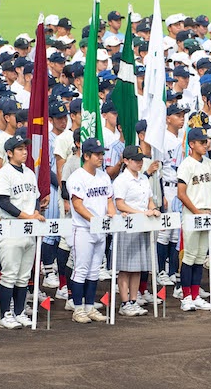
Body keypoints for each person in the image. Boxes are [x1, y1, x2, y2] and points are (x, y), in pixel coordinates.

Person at [0, 134, 45, 329]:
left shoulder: (30, 173)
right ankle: (5, 315)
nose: (25, 152)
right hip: (10, 228)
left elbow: (36, 201)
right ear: (9, 153)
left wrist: (36, 213)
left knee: (24, 275)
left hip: (28, 229)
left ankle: (19, 312)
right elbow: (4, 202)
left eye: (25, 148)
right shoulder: (3, 173)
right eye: (20, 149)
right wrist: (28, 216)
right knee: (9, 274)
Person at [67, 138, 115, 324]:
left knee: (94, 271)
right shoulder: (77, 177)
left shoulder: (104, 176)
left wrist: (111, 216)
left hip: (100, 229)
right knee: (81, 269)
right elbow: (77, 205)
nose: (101, 157)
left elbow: (109, 200)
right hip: (83, 229)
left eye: (102, 153)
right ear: (86, 156)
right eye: (97, 154)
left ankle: (89, 306)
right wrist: (94, 221)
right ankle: (78, 309)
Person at [111, 145, 157, 317]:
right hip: (127, 225)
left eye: (141, 160)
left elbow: (149, 200)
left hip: (142, 225)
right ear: (126, 161)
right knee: (125, 267)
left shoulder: (143, 179)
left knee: (137, 267)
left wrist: (153, 209)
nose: (139, 163)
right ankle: (124, 302)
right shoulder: (121, 180)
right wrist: (141, 213)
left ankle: (133, 300)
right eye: (136, 160)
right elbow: (120, 204)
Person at [176, 128, 211, 312]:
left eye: (206, 141)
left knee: (201, 257)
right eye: (201, 142)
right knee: (190, 257)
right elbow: (181, 193)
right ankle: (186, 297)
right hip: (192, 215)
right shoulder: (186, 165)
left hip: (206, 214)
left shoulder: (208, 163)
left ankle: (195, 295)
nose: (205, 144)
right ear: (191, 144)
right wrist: (197, 211)